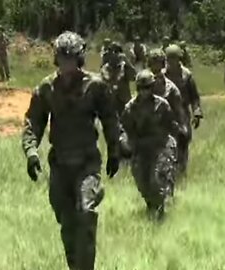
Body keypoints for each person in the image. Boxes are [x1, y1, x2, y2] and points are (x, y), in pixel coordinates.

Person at [21, 31, 120, 270]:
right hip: (61, 166)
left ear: (80, 59)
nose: (68, 66)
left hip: (87, 162)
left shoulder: (95, 86)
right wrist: (31, 152)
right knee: (67, 223)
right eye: (63, 59)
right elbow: (33, 122)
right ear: (57, 60)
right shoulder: (46, 88)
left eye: (72, 59)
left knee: (86, 213)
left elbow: (109, 119)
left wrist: (115, 149)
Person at [121, 70, 182, 220]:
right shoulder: (130, 108)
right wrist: (125, 144)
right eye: (142, 88)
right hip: (141, 148)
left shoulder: (162, 105)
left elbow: (172, 125)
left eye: (147, 88)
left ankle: (160, 211)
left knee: (157, 179)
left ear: (152, 87)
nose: (144, 92)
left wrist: (175, 145)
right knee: (142, 182)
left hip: (160, 146)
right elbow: (124, 129)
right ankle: (151, 205)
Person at [146, 48, 188, 193]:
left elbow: (179, 111)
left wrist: (183, 129)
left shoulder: (171, 89)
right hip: (148, 132)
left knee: (167, 167)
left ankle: (167, 196)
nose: (156, 68)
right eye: (153, 64)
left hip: (167, 134)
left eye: (158, 64)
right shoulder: (144, 85)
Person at [164, 44, 203, 174]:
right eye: (169, 59)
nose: (171, 62)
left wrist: (197, 113)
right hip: (166, 115)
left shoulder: (186, 76)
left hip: (182, 114)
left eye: (174, 59)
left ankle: (182, 171)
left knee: (183, 142)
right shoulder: (162, 75)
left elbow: (195, 97)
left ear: (179, 59)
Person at [100, 42, 136, 116]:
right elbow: (106, 79)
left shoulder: (125, 67)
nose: (114, 54)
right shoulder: (106, 68)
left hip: (124, 101)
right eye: (111, 51)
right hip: (111, 102)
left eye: (116, 51)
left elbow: (133, 78)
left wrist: (127, 61)